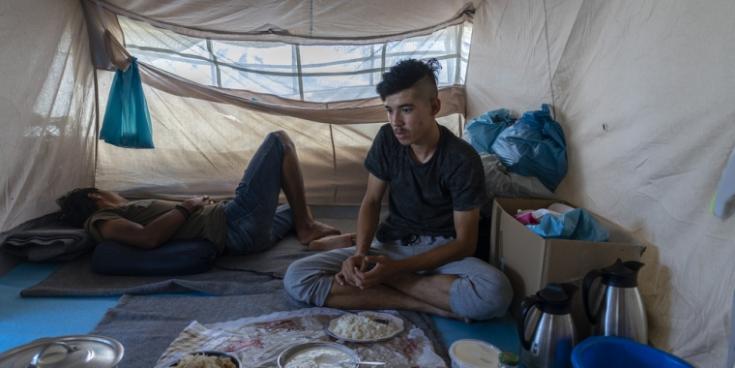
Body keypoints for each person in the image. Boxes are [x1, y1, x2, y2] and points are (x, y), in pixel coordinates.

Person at [283, 59, 512, 320]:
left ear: (434, 106)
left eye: (406, 109)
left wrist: (394, 271)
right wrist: (360, 256)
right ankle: (424, 304)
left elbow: (465, 244)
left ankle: (385, 283)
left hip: (441, 253)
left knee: (495, 293)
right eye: (389, 110)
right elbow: (371, 201)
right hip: (392, 244)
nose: (396, 122)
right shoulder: (387, 140)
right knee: (297, 277)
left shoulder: (461, 159)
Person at [57, 131, 354, 255]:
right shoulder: (103, 219)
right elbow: (146, 238)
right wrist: (188, 206)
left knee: (286, 204)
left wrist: (197, 206)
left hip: (244, 233)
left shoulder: (119, 212)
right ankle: (307, 228)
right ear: (95, 196)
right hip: (233, 225)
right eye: (106, 191)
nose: (115, 193)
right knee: (279, 141)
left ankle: (311, 241)